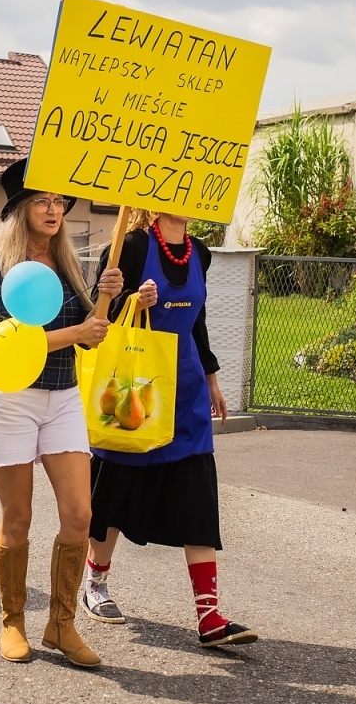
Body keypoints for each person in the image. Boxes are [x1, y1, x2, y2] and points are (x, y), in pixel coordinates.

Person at [82, 210, 257, 648]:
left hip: (187, 395)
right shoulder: (131, 246)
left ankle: (209, 616)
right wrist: (129, 302)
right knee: (116, 491)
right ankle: (94, 584)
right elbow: (96, 314)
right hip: (135, 394)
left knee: (197, 498)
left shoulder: (199, 252)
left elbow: (197, 323)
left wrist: (213, 381)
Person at [0, 158, 117, 667]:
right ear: (21, 208)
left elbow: (89, 333)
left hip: (62, 397)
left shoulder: (68, 262)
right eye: (44, 200)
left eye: (60, 201)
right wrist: (77, 332)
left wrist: (106, 299)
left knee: (80, 514)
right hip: (10, 398)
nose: (55, 209)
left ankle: (61, 624)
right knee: (18, 517)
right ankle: (12, 621)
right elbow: (5, 340)